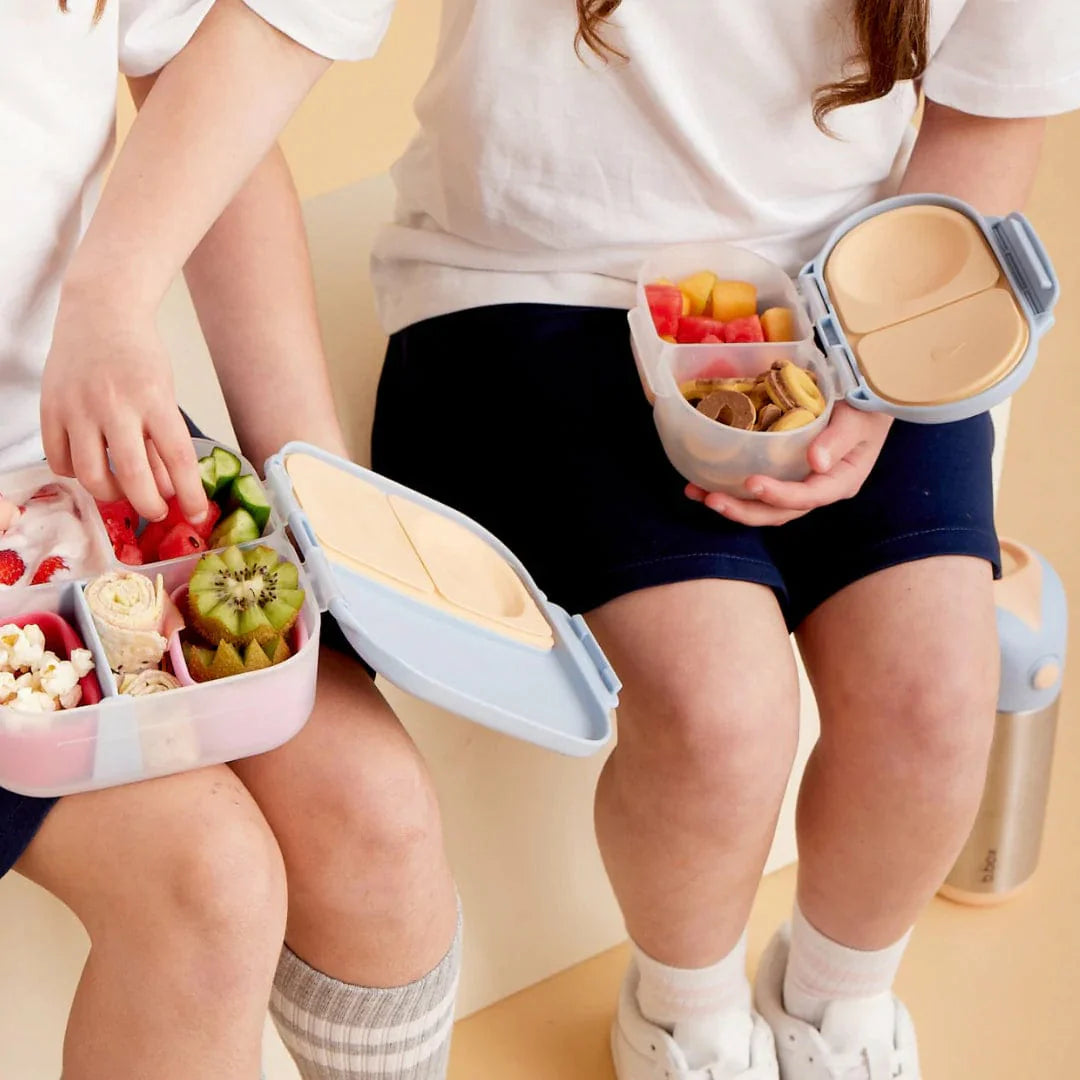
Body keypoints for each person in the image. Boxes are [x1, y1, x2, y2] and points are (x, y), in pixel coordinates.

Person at [363, 2, 1080, 1078]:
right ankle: (685, 1019)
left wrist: (877, 380)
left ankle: (837, 1007)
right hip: (527, 283)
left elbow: (988, 117)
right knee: (723, 717)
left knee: (937, 697)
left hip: (855, 284)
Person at [3, 3, 458, 1078]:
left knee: (377, 817)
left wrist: (317, 481)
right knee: (209, 885)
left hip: (79, 450)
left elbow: (206, 99)